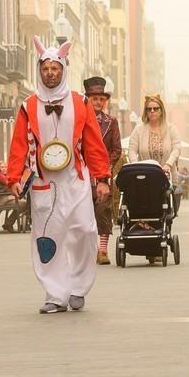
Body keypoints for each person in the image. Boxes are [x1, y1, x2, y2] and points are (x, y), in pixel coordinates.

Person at [7, 36, 111, 314]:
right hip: (44, 182)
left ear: (64, 69)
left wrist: (102, 179)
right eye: (45, 69)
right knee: (48, 237)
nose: (50, 73)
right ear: (39, 71)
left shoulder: (80, 102)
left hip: (75, 180)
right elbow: (18, 144)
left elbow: (93, 143)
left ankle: (77, 287)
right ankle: (55, 293)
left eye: (55, 68)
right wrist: (14, 178)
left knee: (84, 232)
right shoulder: (28, 106)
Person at [84, 76, 122, 265]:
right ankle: (86, 251)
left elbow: (117, 149)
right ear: (88, 99)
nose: (98, 102)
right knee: (83, 212)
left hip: (104, 175)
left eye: (101, 99)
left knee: (103, 211)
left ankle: (102, 250)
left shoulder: (111, 121)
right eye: (94, 98)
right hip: (83, 174)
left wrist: (105, 167)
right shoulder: (79, 120)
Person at [128, 94, 181, 212]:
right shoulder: (139, 129)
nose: (152, 111)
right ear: (146, 112)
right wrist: (136, 165)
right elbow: (131, 150)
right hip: (143, 175)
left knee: (163, 206)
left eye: (155, 108)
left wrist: (168, 164)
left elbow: (177, 148)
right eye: (149, 109)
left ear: (161, 111)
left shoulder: (171, 128)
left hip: (166, 176)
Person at [0, 155, 27, 233]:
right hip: (2, 199)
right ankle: (8, 223)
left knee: (23, 201)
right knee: (24, 203)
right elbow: (9, 183)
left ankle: (9, 223)